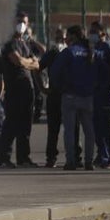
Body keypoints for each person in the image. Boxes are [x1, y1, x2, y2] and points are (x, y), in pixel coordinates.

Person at [49, 24, 97, 170]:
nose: (66, 38)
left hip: (70, 96)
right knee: (89, 131)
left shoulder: (68, 52)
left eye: (68, 35)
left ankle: (71, 162)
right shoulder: (91, 52)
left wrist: (59, 87)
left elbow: (54, 71)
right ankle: (89, 162)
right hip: (87, 97)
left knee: (69, 131)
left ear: (73, 36)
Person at [0, 12, 40, 168]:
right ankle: (4, 158)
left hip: (27, 89)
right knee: (11, 124)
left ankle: (24, 158)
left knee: (25, 125)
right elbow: (18, 61)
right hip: (14, 88)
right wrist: (28, 62)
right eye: (19, 21)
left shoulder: (24, 43)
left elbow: (36, 64)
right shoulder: (9, 43)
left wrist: (27, 62)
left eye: (24, 22)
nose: (22, 25)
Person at [39, 26, 79, 168]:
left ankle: (76, 156)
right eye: (58, 38)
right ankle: (51, 157)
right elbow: (38, 67)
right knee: (53, 128)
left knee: (74, 127)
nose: (61, 41)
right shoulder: (53, 52)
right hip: (55, 94)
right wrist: (42, 87)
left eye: (63, 38)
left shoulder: (74, 53)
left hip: (69, 94)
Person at [89, 20, 110, 169]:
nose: (92, 34)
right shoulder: (95, 48)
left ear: (102, 32)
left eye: (95, 31)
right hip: (97, 93)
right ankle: (103, 155)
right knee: (98, 126)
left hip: (109, 93)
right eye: (91, 31)